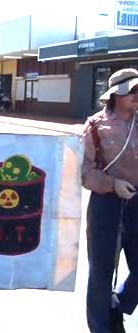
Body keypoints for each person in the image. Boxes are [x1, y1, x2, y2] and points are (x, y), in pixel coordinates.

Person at [82, 68, 138, 333]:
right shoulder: (94, 125)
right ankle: (101, 328)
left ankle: (120, 303)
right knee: (100, 275)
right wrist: (112, 185)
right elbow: (85, 173)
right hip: (106, 206)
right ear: (117, 94)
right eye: (133, 91)